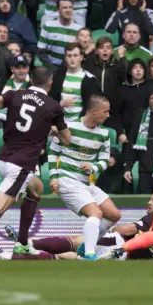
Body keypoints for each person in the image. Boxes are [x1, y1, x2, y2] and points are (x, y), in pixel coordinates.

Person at [0, 66, 70, 256]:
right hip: (21, 166)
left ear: (31, 80)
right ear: (50, 82)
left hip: (4, 160)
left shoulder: (14, 94)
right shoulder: (53, 107)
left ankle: (23, 243)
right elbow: (67, 140)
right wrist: (53, 129)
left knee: (36, 188)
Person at [0, 189, 153, 260]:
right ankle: (10, 256)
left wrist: (114, 228)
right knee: (64, 257)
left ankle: (27, 243)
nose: (149, 203)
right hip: (120, 257)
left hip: (117, 244)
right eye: (150, 199)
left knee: (77, 240)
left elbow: (128, 229)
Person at [48, 95, 120, 260]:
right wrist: (53, 176)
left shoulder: (104, 134)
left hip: (85, 183)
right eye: (105, 111)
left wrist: (93, 167)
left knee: (114, 215)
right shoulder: (69, 127)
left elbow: (104, 160)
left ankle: (83, 247)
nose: (108, 115)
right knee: (95, 213)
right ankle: (89, 254)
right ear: (93, 111)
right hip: (67, 179)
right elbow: (53, 151)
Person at [49, 43, 101, 123]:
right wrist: (60, 104)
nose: (72, 59)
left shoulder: (89, 79)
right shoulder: (58, 76)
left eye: (75, 55)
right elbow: (50, 100)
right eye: (69, 56)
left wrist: (80, 123)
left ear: (81, 57)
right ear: (65, 58)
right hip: (59, 123)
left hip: (80, 124)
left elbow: (91, 106)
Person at [37, 0, 82, 68]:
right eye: (65, 7)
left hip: (71, 68)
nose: (68, 10)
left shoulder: (79, 29)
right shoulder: (48, 26)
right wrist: (52, 69)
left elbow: (81, 53)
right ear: (58, 10)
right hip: (51, 67)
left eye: (70, 7)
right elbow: (41, 52)